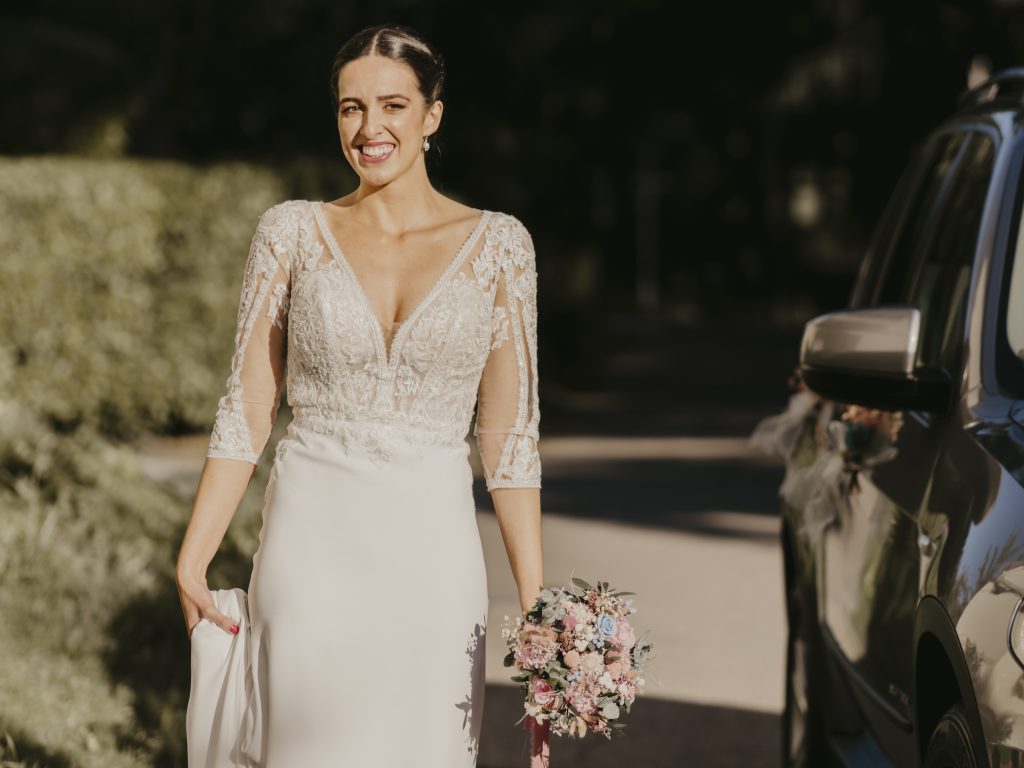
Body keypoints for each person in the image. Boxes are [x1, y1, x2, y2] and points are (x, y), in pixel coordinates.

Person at [175, 22, 545, 766]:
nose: (370, 128)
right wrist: (193, 557)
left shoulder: (502, 246)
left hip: (434, 561)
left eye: (393, 106)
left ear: (432, 114)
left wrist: (539, 619)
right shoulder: (291, 233)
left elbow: (509, 440)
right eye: (351, 108)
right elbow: (248, 405)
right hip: (310, 549)